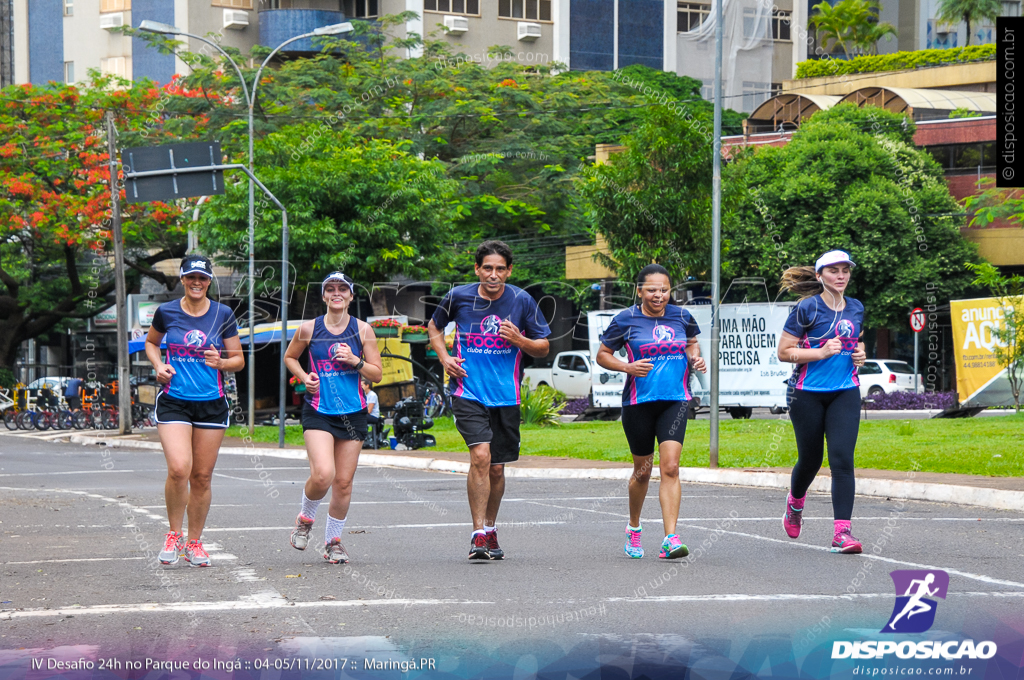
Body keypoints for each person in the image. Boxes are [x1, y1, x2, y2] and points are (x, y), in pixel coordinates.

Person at [427, 240, 550, 560]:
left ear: (509, 271)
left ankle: (491, 528)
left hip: (506, 397)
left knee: (497, 469)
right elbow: (434, 327)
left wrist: (519, 339)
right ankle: (478, 533)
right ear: (477, 269)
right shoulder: (458, 297)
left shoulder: (522, 300)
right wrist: (444, 358)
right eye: (487, 268)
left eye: (500, 269)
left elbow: (543, 347)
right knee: (480, 456)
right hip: (468, 391)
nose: (493, 275)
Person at [596, 264, 706, 560]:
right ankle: (634, 527)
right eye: (653, 290)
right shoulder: (625, 320)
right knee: (642, 472)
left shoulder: (682, 316)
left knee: (670, 467)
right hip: (638, 403)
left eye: (664, 290)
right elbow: (603, 355)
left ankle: (670, 537)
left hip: (676, 400)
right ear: (640, 290)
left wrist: (696, 359)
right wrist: (627, 367)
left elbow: (692, 344)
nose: (659, 295)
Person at [146, 255, 244, 567]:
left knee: (201, 476)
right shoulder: (166, 312)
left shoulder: (223, 314)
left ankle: (195, 542)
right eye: (191, 278)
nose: (197, 283)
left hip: (211, 402)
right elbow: (151, 343)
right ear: (183, 280)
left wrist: (222, 363)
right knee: (179, 468)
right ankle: (173, 535)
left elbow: (238, 360)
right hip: (175, 399)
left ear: (210, 280)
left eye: (202, 278)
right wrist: (159, 365)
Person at [284, 272, 383, 564]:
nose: (336, 293)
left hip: (353, 412)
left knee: (343, 482)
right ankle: (305, 519)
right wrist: (305, 377)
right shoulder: (308, 328)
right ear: (324, 296)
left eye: (343, 289)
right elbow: (290, 357)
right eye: (331, 289)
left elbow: (377, 373)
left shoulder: (363, 330)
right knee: (323, 474)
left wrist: (355, 361)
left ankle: (333, 542)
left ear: (351, 296)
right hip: (319, 410)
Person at [777, 250, 867, 554]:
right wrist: (820, 353)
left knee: (842, 460)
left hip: (845, 389)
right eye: (833, 271)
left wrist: (861, 355)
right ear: (819, 276)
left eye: (845, 271)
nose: (840, 276)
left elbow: (858, 340)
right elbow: (784, 351)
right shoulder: (807, 309)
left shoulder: (856, 307)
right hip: (806, 393)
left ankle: (842, 532)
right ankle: (795, 503)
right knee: (811, 460)